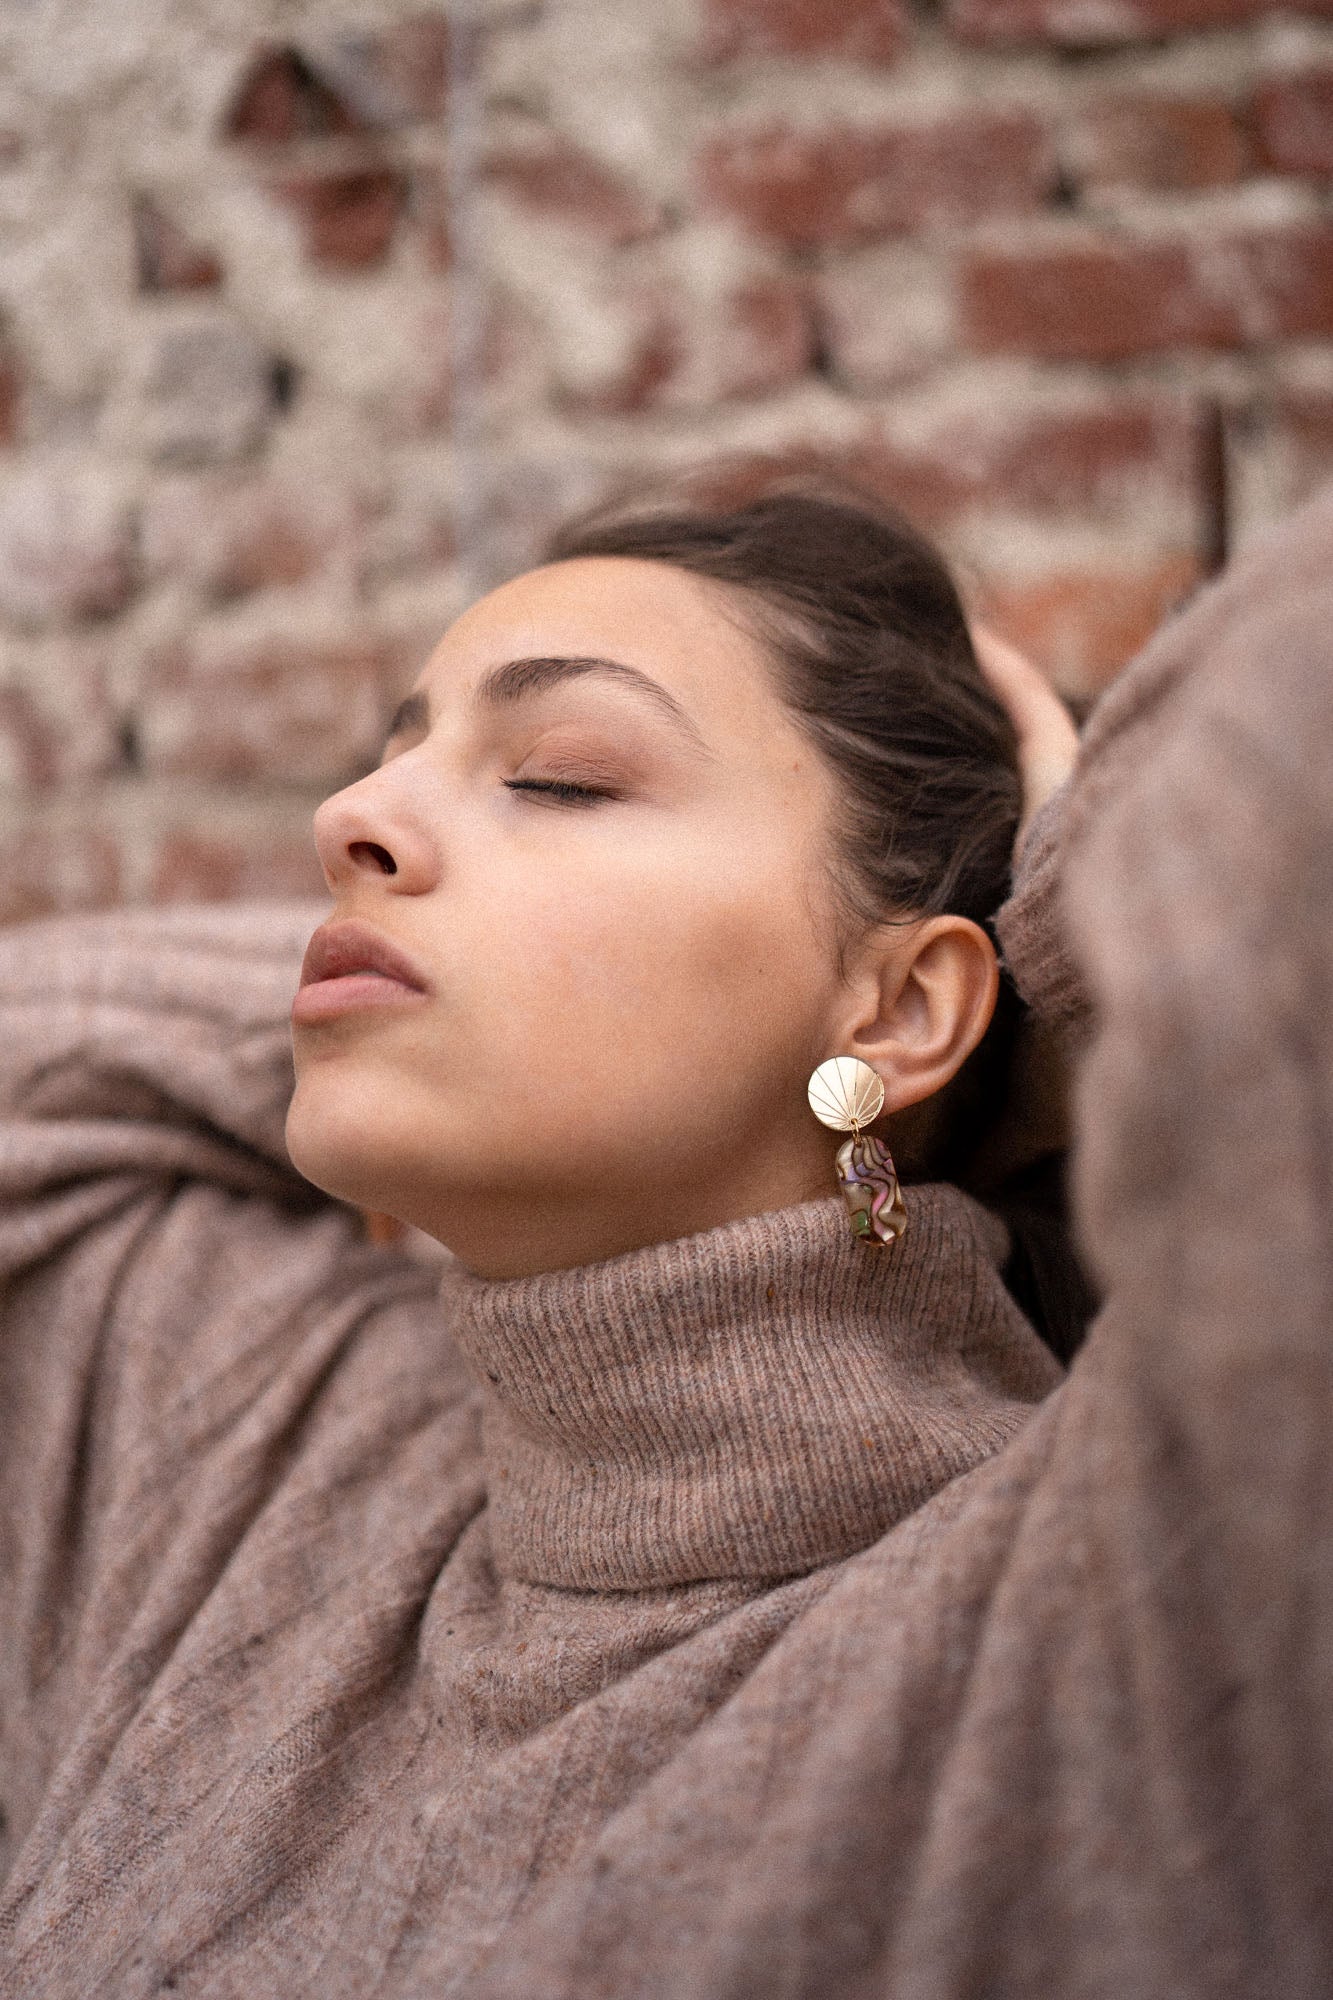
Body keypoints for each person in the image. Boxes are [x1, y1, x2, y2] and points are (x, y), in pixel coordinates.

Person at [1, 476, 1330, 1999]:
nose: (345, 819)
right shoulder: (265, 1460)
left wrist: (1064, 963)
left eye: (560, 777)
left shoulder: (1102, 1597)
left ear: (902, 1005)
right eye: (392, 758)